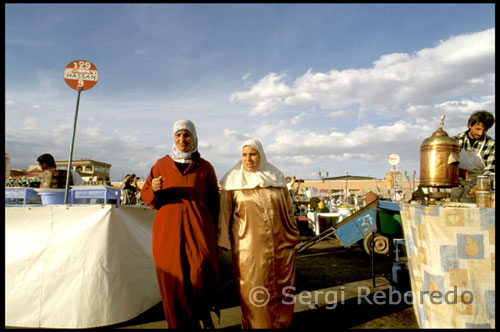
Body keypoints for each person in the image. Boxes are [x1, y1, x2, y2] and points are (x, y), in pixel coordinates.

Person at [140, 120, 220, 329]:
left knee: (200, 275)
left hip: (199, 231)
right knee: (172, 282)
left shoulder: (205, 168)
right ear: (173, 138)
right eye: (178, 135)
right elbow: (148, 199)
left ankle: (202, 314)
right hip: (168, 234)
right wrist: (154, 190)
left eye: (186, 135)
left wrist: (218, 237)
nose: (182, 140)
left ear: (194, 137)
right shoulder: (160, 165)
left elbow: (215, 204)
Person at [217, 139, 301, 329]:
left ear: (261, 155)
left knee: (282, 290)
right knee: (254, 291)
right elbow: (224, 216)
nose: (248, 159)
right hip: (249, 249)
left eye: (253, 154)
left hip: (281, 246)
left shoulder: (276, 178)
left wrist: (292, 235)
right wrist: (222, 243)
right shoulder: (232, 183)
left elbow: (289, 210)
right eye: (244, 155)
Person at [454, 110, 495, 187]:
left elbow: (491, 170)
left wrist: (479, 186)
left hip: (480, 184)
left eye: (485, 130)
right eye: (478, 129)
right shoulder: (455, 141)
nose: (481, 133)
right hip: (458, 183)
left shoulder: (491, 144)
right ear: (469, 125)